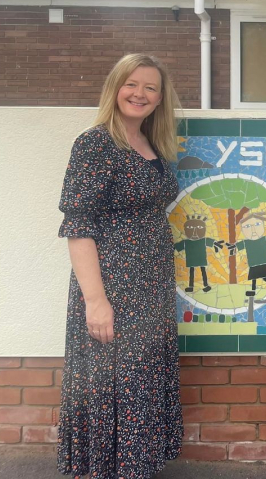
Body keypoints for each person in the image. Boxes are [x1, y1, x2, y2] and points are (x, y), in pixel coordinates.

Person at [57, 54, 183, 478]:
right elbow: (78, 227)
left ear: (160, 98)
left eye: (151, 87)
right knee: (117, 383)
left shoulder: (152, 144)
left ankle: (137, 467)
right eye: (132, 84)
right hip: (113, 288)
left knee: (141, 384)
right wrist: (96, 301)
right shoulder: (95, 144)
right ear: (115, 87)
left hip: (151, 290)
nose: (140, 94)